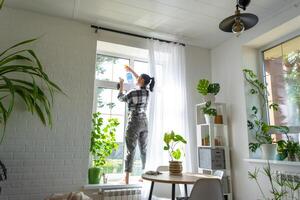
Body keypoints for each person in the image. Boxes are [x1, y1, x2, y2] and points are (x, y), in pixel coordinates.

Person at [118, 65, 155, 184]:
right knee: (144, 149)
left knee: (131, 149)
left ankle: (127, 179)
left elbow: (120, 98)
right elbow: (141, 79)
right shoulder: (148, 92)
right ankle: (143, 176)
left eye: (138, 78)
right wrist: (132, 71)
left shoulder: (133, 93)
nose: (136, 79)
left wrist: (121, 85)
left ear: (142, 81)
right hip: (144, 122)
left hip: (134, 121)